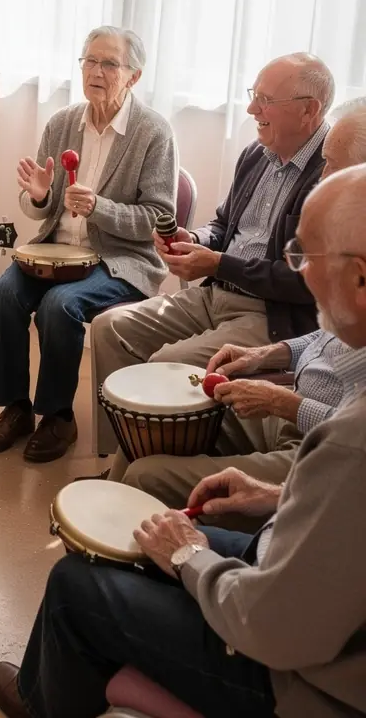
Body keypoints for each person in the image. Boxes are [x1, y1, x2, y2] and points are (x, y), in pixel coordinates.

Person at [0, 163, 366, 718]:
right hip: (302, 591)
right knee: (140, 539)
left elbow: (273, 630)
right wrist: (272, 498)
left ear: (359, 278)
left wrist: (189, 555)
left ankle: (43, 702)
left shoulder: (346, 444)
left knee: (77, 583)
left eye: (305, 258)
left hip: (297, 682)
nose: (301, 273)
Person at [112, 100, 366, 514]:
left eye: (333, 166)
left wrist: (282, 401)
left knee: (148, 465)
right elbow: (327, 336)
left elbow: (353, 437)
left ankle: (134, 537)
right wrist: (266, 355)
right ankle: (111, 497)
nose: (322, 177)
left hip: (314, 440)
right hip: (288, 390)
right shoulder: (256, 156)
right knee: (161, 418)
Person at [90, 52, 334, 454]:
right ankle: (123, 451)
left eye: (265, 100)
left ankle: (159, 466)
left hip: (269, 314)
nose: (253, 108)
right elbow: (223, 224)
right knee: (109, 327)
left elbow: (301, 280)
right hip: (215, 292)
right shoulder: (257, 154)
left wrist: (218, 262)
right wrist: (197, 240)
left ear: (309, 111)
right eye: (254, 94)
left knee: (165, 364)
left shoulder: (330, 174)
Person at [0, 27, 178, 462]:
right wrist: (37, 196)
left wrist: (100, 208)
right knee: (3, 293)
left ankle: (58, 416)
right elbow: (41, 209)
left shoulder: (153, 133)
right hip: (55, 253)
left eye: (110, 63)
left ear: (134, 76)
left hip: (120, 260)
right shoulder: (62, 123)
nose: (97, 71)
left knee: (58, 306)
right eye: (90, 61)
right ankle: (15, 408)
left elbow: (158, 222)